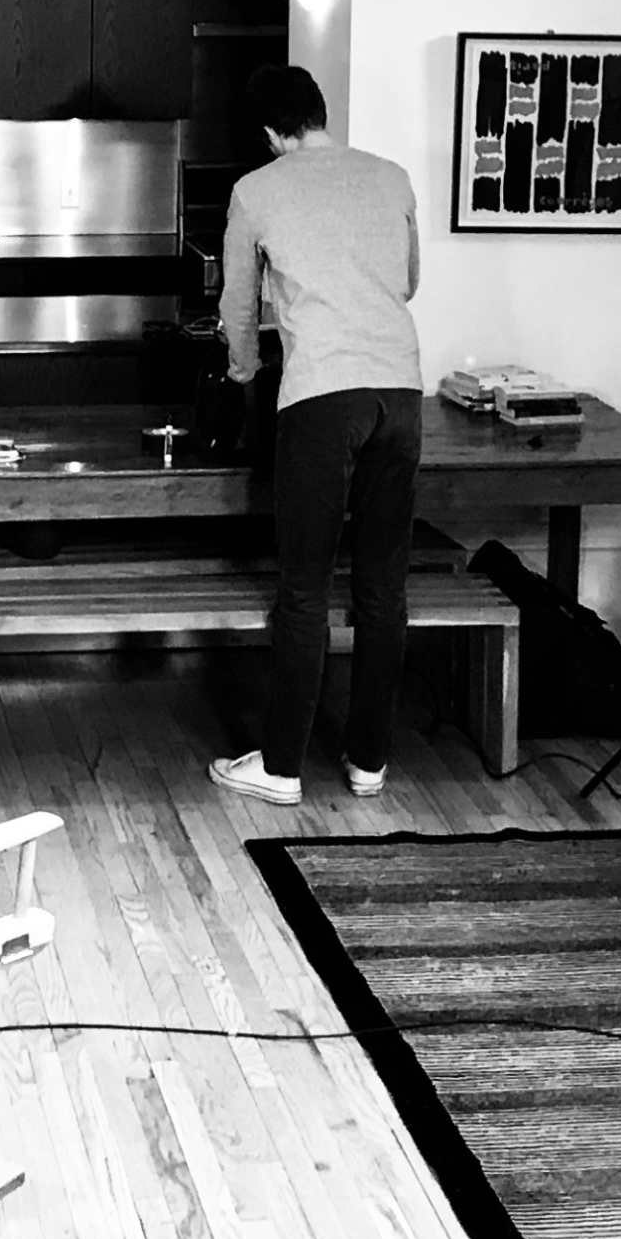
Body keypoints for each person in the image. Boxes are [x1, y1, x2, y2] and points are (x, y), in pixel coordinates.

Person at [208, 65, 423, 807]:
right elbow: (409, 280)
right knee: (382, 584)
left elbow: (238, 303)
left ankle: (281, 768)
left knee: (304, 588)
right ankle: (369, 763)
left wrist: (242, 370)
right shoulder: (391, 177)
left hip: (321, 399)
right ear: (321, 115)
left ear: (272, 133)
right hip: (400, 393)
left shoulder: (257, 190)